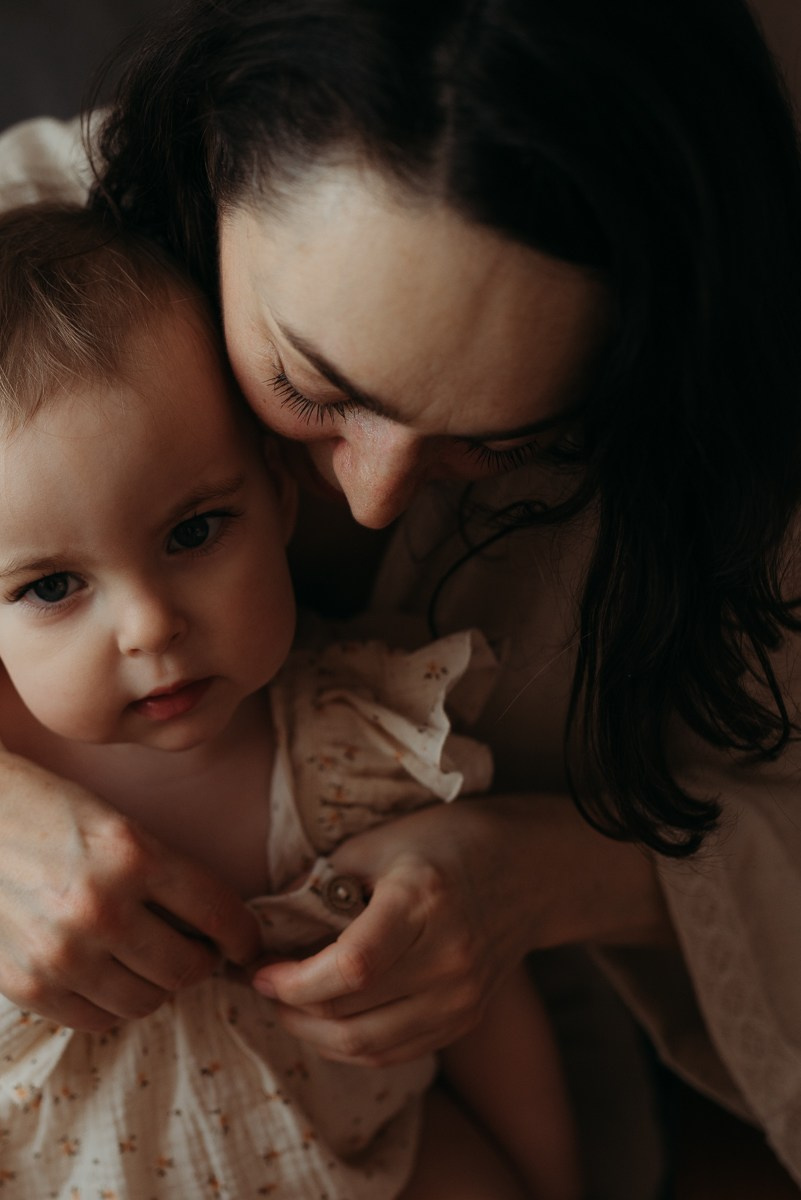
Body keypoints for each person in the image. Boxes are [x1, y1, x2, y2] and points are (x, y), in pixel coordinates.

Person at [1, 0, 801, 1192]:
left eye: (503, 441)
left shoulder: (741, 483)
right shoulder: (37, 256)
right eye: (311, 385)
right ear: (211, 175)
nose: (372, 497)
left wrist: (535, 874)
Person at [0, 200, 580, 1200]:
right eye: (51, 587)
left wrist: (549, 1179)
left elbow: (475, 986)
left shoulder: (353, 739)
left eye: (193, 533)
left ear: (278, 491)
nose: (148, 627)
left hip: (364, 1165)